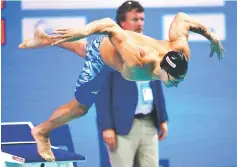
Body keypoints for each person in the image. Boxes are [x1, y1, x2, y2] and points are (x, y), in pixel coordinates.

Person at [18, 12, 224, 162]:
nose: (176, 85)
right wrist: (82, 31)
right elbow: (108, 25)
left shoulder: (181, 50)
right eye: (174, 80)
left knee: (83, 48)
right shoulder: (138, 61)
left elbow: (182, 18)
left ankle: (45, 39)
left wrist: (211, 36)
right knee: (80, 107)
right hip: (101, 58)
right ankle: (42, 132)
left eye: (180, 80)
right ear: (162, 69)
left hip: (115, 53)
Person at [95, 1, 168, 167]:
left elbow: (157, 86)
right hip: (122, 126)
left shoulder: (151, 47)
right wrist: (107, 127)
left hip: (149, 123)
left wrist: (163, 118)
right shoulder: (109, 49)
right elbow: (102, 94)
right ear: (122, 23)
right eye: (135, 19)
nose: (140, 23)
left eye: (142, 19)